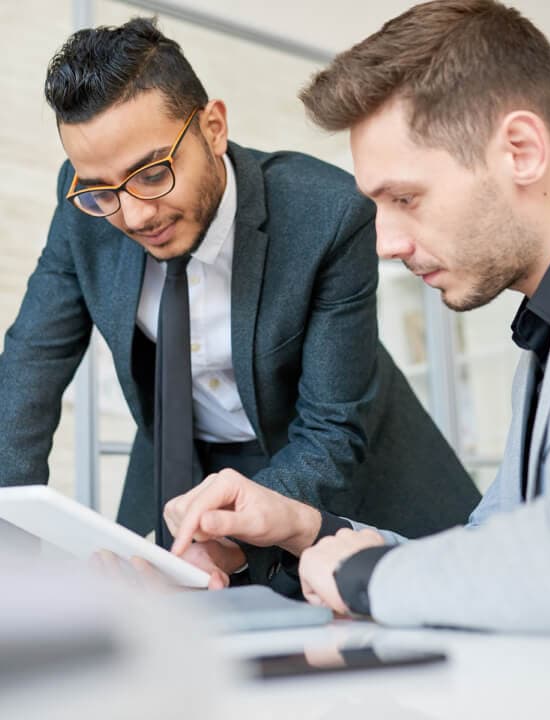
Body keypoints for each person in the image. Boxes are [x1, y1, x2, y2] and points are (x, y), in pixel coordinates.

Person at [165, 0, 550, 633]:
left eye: (406, 198)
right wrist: (308, 527)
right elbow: (487, 556)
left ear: (521, 150)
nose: (385, 242)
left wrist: (368, 578)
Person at [0, 17, 480, 591]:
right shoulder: (84, 203)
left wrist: (232, 536)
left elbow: (331, 428)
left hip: (332, 469)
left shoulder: (326, 214)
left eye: (152, 174)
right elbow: (29, 365)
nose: (134, 216)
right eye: (102, 189)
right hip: (182, 465)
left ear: (214, 127)